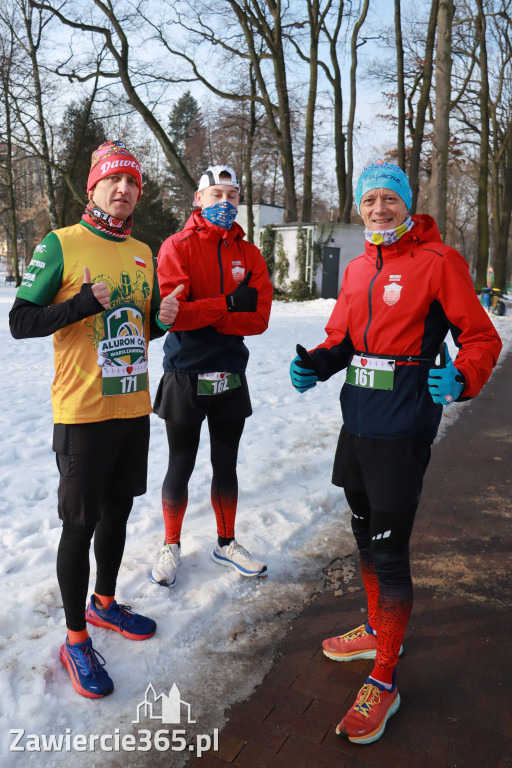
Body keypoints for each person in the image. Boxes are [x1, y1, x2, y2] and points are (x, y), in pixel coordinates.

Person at [289, 160, 502, 744]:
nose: (379, 209)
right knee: (363, 532)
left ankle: (384, 677)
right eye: (369, 200)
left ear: (407, 203)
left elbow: (481, 337)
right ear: (359, 207)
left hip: (403, 426)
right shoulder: (358, 266)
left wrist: (463, 377)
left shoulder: (439, 261)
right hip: (357, 423)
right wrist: (316, 364)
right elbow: (341, 339)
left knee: (389, 552)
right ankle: (376, 627)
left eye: (389, 198)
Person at [9, 140, 181, 699]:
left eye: (132, 182)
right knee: (79, 526)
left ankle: (104, 604)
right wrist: (80, 304)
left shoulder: (143, 251)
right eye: (114, 180)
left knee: (118, 513)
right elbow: (20, 321)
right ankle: (75, 638)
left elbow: (137, 328)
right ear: (94, 187)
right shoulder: (61, 243)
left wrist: (161, 320)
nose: (124, 189)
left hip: (132, 407)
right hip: (82, 414)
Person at [149, 165, 273, 588]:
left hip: (230, 371)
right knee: (180, 463)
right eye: (216, 194)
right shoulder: (176, 246)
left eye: (232, 195)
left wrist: (208, 313)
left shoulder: (250, 254)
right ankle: (170, 544)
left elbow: (259, 319)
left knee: (226, 463)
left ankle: (226, 542)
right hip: (185, 372)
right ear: (198, 200)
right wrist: (228, 305)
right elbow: (175, 316)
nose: (225, 202)